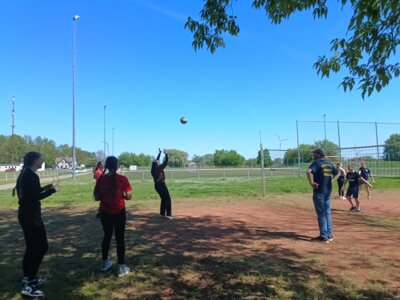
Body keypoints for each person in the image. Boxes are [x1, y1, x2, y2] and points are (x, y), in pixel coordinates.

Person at [12, 152, 60, 297]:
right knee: (42, 246)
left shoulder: (26, 174)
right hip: (31, 216)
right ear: (34, 161)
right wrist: (52, 190)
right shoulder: (31, 175)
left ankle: (28, 278)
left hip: (26, 214)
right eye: (40, 159)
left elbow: (33, 191)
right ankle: (29, 284)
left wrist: (46, 187)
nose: (42, 161)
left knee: (32, 247)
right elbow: (34, 197)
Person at [93, 156, 132, 277]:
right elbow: (129, 196)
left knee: (107, 236)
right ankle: (121, 267)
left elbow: (96, 197)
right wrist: (122, 197)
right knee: (120, 238)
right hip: (119, 212)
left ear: (106, 166)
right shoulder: (123, 179)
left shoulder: (101, 179)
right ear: (117, 166)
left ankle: (105, 262)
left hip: (105, 212)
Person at [306, 149, 339, 243]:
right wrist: (331, 181)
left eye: (314, 154)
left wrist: (311, 183)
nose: (313, 155)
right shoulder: (329, 163)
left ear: (319, 154)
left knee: (321, 214)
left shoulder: (316, 163)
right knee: (327, 213)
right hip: (328, 192)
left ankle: (323, 236)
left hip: (319, 192)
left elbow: (308, 172)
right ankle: (329, 234)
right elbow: (338, 173)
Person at [151, 148, 172, 219]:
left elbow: (156, 160)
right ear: (157, 164)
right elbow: (166, 162)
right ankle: (168, 214)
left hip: (157, 186)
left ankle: (162, 213)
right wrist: (166, 154)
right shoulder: (159, 168)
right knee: (168, 199)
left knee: (163, 198)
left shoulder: (153, 169)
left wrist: (159, 153)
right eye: (158, 162)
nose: (159, 161)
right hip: (161, 185)